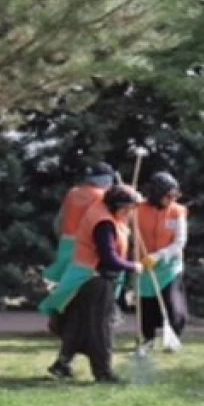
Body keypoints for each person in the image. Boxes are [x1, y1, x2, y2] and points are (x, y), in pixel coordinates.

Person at [39, 185, 145, 383]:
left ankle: (62, 364)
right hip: (95, 279)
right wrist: (133, 266)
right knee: (100, 328)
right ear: (118, 206)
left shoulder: (104, 211)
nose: (131, 213)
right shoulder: (103, 224)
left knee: (77, 323)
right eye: (129, 208)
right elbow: (109, 258)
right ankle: (103, 372)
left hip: (84, 276)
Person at [135, 172, 189, 348]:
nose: (172, 199)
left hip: (169, 265)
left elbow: (180, 242)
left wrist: (159, 255)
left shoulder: (177, 211)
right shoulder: (138, 209)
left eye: (175, 195)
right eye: (168, 196)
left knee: (173, 303)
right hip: (145, 264)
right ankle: (148, 338)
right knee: (147, 303)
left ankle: (174, 338)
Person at [44, 162, 120, 284]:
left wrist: (61, 237)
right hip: (87, 244)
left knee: (60, 277)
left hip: (66, 240)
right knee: (79, 282)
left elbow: (60, 219)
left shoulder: (73, 193)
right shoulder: (102, 197)